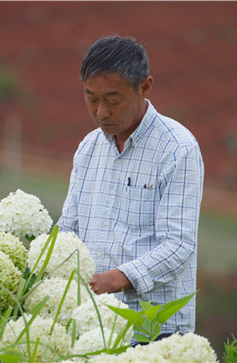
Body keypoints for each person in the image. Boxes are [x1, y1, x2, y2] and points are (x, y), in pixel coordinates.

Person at [57, 35, 204, 342]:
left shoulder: (177, 148)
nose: (101, 112)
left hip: (154, 328)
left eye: (113, 99)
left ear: (145, 87)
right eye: (91, 98)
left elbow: (178, 244)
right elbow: (68, 229)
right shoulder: (88, 148)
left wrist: (115, 279)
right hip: (93, 323)